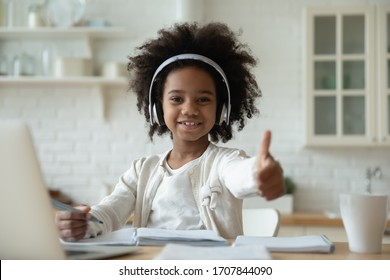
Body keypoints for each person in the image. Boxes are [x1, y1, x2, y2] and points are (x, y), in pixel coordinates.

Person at [55, 22, 285, 241]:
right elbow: (109, 212)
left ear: (221, 108)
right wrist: (84, 223)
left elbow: (240, 175)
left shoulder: (225, 162)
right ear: (158, 107)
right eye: (176, 99)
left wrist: (258, 174)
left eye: (203, 99)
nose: (190, 109)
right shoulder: (141, 171)